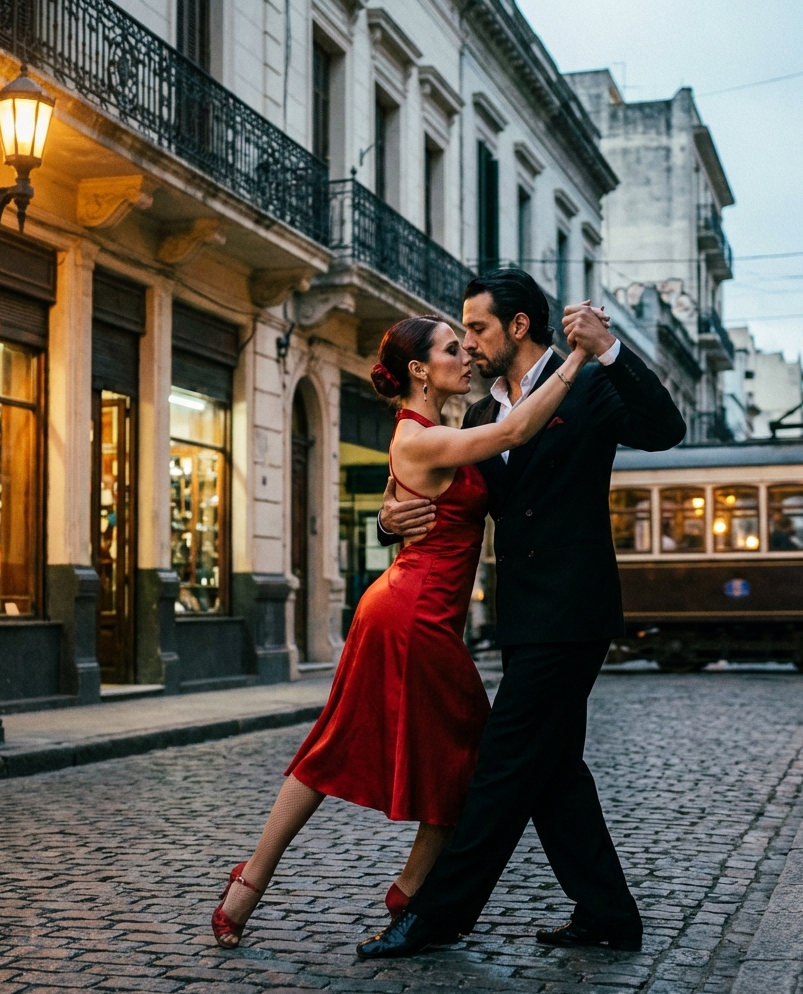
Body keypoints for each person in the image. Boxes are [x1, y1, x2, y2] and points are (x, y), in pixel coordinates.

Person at [210, 310, 594, 949]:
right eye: (451, 348)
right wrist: (576, 358)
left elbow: (414, 505)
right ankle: (400, 890)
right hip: (412, 618)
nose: (466, 355)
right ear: (420, 370)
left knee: (365, 749)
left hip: (410, 611)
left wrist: (390, 519)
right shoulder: (418, 438)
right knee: (464, 756)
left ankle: (261, 887)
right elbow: (520, 427)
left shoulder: (433, 430)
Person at [356, 268, 687, 960]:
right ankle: (608, 914)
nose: (467, 342)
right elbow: (451, 501)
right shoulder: (479, 416)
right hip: (524, 614)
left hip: (572, 609)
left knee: (502, 765)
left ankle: (438, 914)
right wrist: (392, 520)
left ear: (516, 327)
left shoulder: (590, 382)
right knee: (554, 770)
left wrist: (611, 348)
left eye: (475, 328)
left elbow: (665, 429)